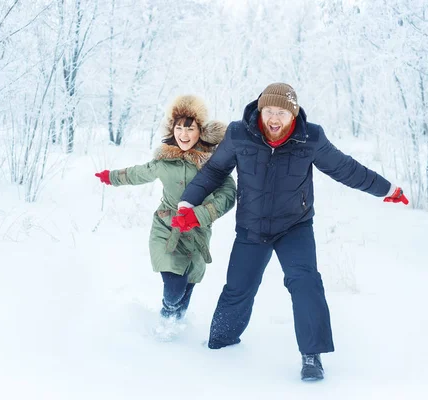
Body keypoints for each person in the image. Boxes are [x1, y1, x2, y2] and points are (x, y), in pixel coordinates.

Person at [171, 83, 409, 380]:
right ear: (260, 109)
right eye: (269, 110)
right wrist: (186, 203)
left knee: (306, 282)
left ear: (293, 114)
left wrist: (385, 189)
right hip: (252, 228)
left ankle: (312, 355)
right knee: (238, 288)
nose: (274, 117)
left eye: (282, 112)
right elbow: (214, 172)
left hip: (294, 226)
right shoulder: (238, 133)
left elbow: (345, 168)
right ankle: (221, 344)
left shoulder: (310, 138)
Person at [94, 95, 236, 338]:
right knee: (173, 287)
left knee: (187, 285)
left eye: (189, 128)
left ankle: (174, 329)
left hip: (197, 232)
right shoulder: (164, 160)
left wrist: (198, 215)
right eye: (178, 127)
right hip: (166, 228)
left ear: (200, 131)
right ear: (172, 129)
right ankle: (165, 320)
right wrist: (113, 176)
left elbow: (228, 194)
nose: (183, 133)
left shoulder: (213, 165)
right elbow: (139, 173)